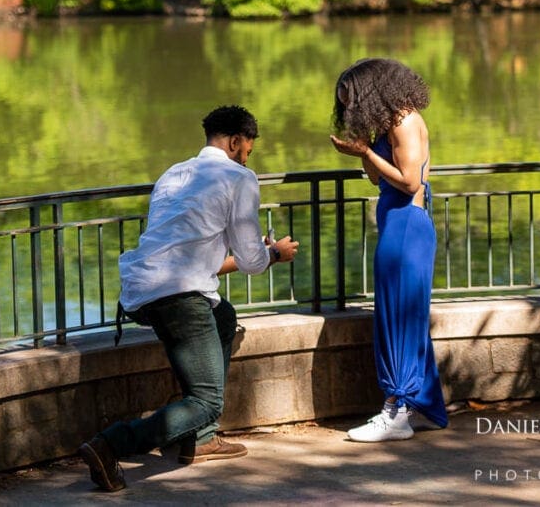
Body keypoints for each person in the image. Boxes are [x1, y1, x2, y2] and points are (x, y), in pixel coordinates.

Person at [78, 105, 300, 491]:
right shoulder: (239, 178)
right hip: (179, 295)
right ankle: (110, 444)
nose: (247, 158)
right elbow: (251, 262)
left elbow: (191, 251)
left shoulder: (174, 174)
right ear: (235, 142)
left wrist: (251, 250)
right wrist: (275, 253)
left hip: (140, 291)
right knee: (206, 400)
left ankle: (201, 439)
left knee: (224, 318)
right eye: (247, 151)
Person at [329, 58, 448, 442]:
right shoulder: (388, 125)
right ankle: (420, 402)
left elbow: (410, 182)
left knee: (399, 318)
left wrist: (365, 153)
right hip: (395, 227)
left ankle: (397, 411)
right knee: (397, 315)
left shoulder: (405, 122)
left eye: (351, 101)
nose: (348, 109)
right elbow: (380, 178)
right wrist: (365, 150)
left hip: (408, 228)